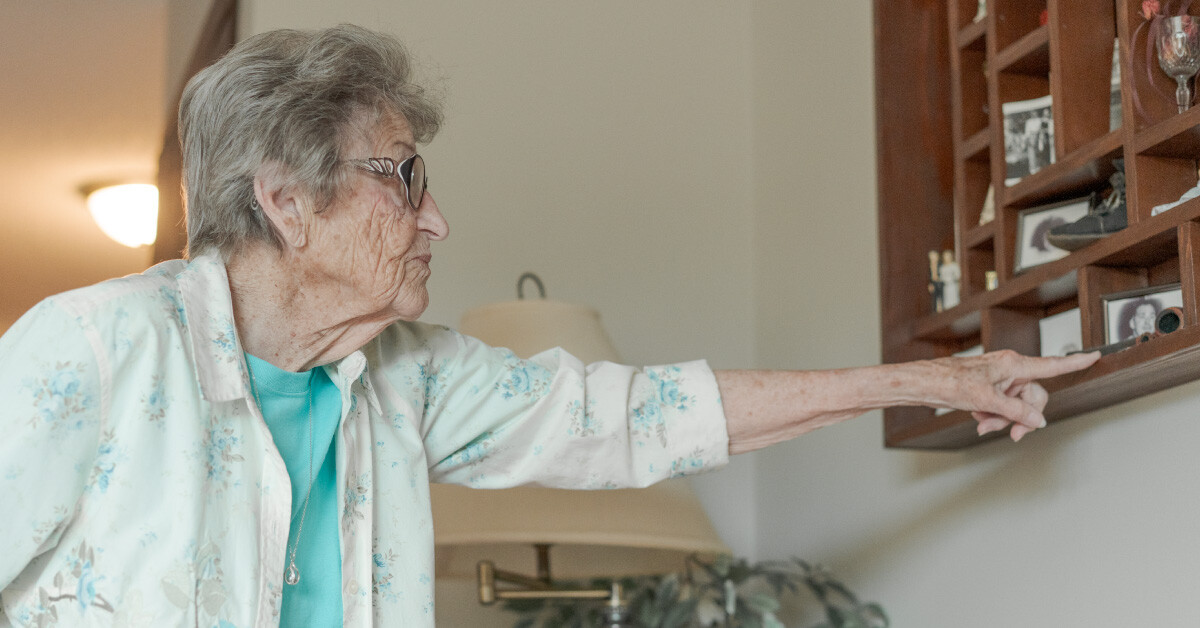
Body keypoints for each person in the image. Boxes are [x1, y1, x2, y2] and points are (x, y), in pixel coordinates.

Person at [0, 24, 1099, 628]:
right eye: (402, 178)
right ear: (286, 198)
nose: (437, 217)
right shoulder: (95, 350)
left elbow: (638, 418)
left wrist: (915, 382)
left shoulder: (404, 379)